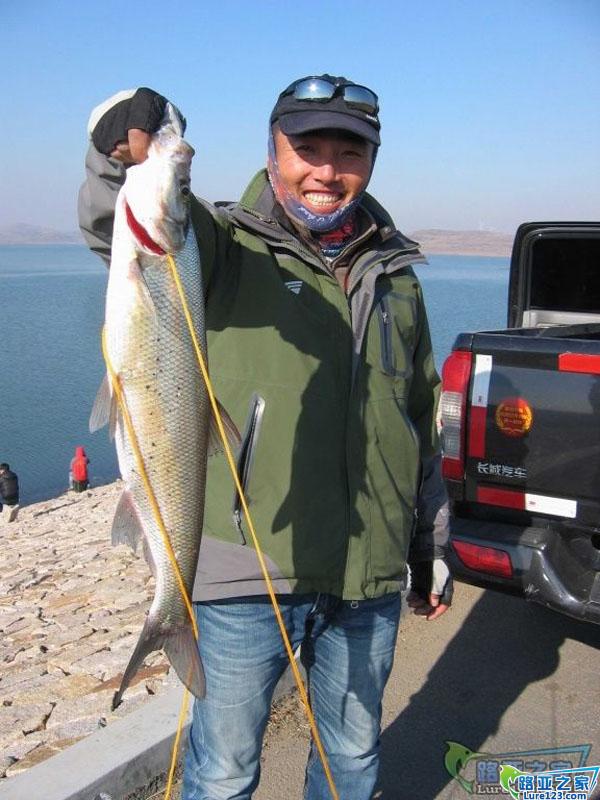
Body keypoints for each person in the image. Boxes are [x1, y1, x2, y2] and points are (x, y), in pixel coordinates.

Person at [79, 78, 453, 800]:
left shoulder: (398, 277)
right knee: (223, 773)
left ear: (373, 160)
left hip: (368, 576)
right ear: (272, 149)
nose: (327, 171)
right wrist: (117, 147)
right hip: (245, 571)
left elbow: (418, 412)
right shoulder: (219, 243)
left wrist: (427, 541)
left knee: (352, 762)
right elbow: (112, 220)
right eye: (306, 148)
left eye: (349, 152)